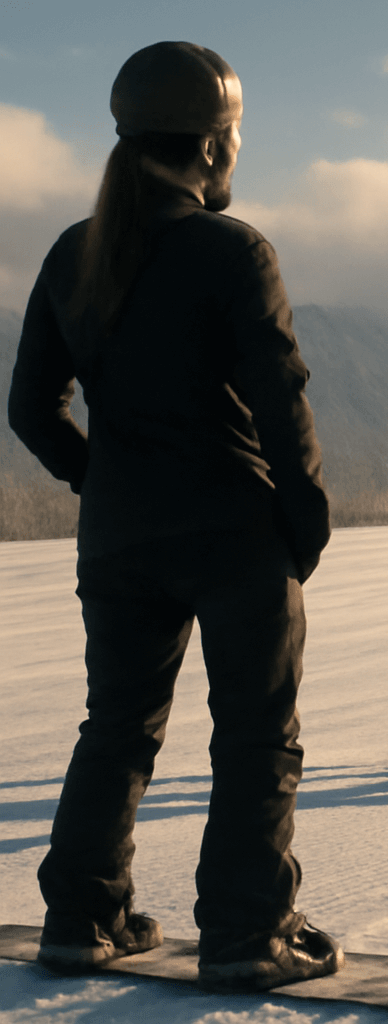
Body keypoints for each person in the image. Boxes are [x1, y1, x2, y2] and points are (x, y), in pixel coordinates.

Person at [6, 42, 341, 991]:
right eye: (234, 136)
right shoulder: (233, 250)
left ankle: (82, 915)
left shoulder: (74, 250)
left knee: (115, 725)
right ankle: (246, 934)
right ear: (209, 145)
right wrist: (302, 525)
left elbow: (32, 409)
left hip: (119, 542)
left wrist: (103, 480)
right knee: (255, 735)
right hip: (234, 536)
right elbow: (283, 402)